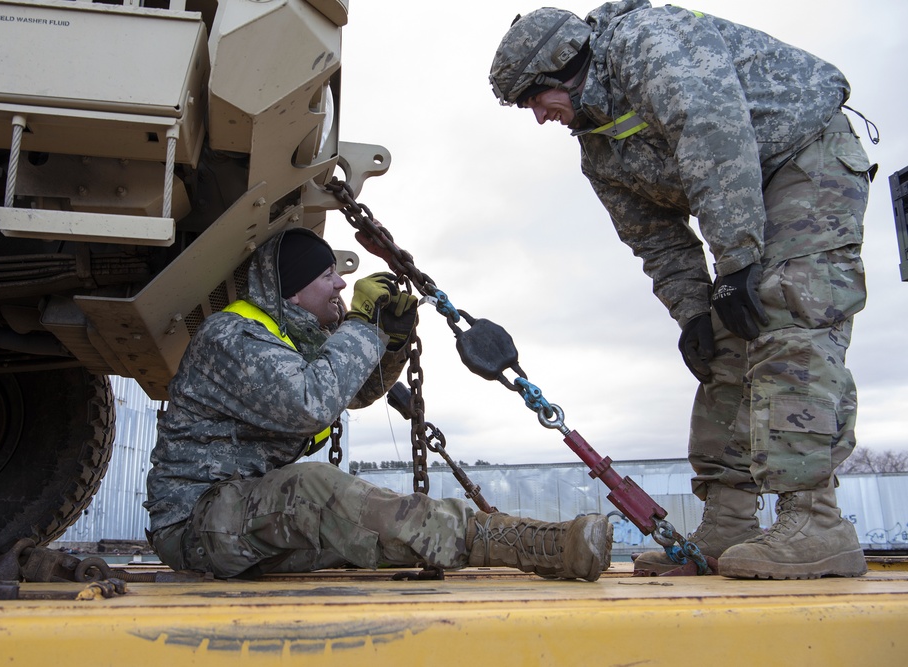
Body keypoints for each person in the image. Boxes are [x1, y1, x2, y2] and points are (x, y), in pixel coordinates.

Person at [489, 2, 876, 579]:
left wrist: (738, 263)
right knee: (725, 345)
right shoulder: (599, 149)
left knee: (787, 307)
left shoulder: (647, 42)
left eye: (535, 98)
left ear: (565, 65)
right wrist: (696, 311)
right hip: (739, 201)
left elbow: (714, 135)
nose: (539, 117)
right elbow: (656, 240)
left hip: (803, 157)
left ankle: (817, 522)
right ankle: (729, 521)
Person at [145, 227, 613, 580]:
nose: (341, 287)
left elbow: (356, 391)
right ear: (292, 289)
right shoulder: (233, 336)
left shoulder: (291, 340)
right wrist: (363, 328)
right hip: (197, 521)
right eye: (327, 275)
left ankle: (539, 547)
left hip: (244, 519)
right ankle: (516, 539)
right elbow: (311, 402)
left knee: (370, 528)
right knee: (314, 488)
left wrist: (389, 341)